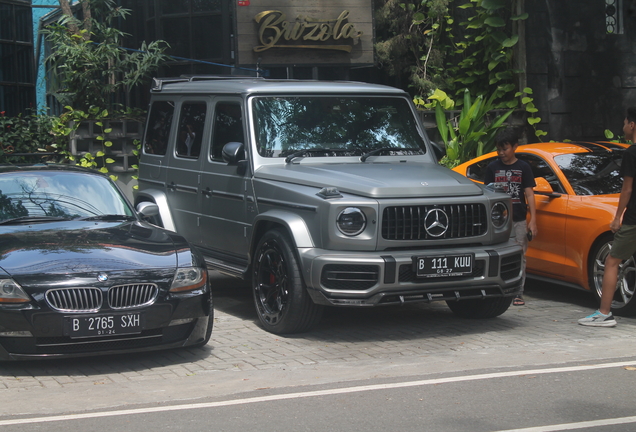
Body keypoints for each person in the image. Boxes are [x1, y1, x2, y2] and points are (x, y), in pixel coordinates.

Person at [579, 107, 636, 327]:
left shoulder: (631, 153)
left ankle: (604, 313)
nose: (623, 128)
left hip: (633, 219)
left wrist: (617, 217)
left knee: (612, 262)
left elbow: (627, 190)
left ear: (632, 125)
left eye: (624, 123)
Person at [484, 127, 538, 306]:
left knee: (520, 254)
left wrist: (533, 221)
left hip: (519, 219)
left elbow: (529, 194)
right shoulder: (492, 167)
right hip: (498, 221)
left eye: (505, 149)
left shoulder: (523, 167)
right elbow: (488, 193)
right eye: (498, 149)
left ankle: (517, 292)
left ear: (515, 147)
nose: (501, 153)